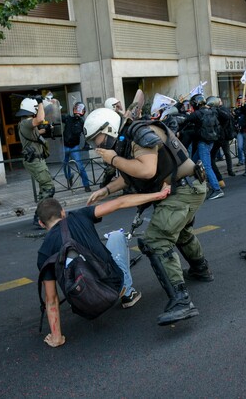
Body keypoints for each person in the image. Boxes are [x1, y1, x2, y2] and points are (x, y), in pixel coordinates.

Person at [83, 107, 213, 326]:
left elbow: (147, 171)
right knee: (180, 232)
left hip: (185, 188)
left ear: (109, 129)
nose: (97, 145)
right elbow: (129, 175)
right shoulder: (126, 140)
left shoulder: (140, 134)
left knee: (157, 239)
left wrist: (113, 159)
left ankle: (181, 301)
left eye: (97, 138)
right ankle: (201, 269)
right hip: (183, 187)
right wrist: (105, 191)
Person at [36, 188, 170, 347]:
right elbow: (121, 202)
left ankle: (62, 331)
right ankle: (127, 293)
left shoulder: (43, 253)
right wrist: (157, 194)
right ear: (63, 213)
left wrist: (57, 337)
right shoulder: (80, 215)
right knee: (116, 235)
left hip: (85, 303)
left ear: (41, 223)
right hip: (113, 286)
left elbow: (51, 299)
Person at [16, 96, 55, 227]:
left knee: (45, 189)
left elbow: (36, 133)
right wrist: (40, 103)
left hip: (36, 160)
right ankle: (39, 218)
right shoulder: (27, 122)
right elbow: (39, 119)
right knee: (48, 188)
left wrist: (46, 130)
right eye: (37, 108)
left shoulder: (26, 124)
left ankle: (40, 216)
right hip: (35, 161)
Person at [181, 94, 224, 200]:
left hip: (203, 143)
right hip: (211, 141)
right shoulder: (212, 111)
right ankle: (197, 187)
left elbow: (184, 120)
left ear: (195, 104)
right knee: (193, 164)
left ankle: (217, 189)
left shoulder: (197, 114)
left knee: (206, 166)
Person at [207, 96, 236, 189]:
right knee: (212, 157)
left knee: (226, 153)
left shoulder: (221, 110)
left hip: (221, 137)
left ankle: (229, 170)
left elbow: (227, 117)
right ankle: (216, 179)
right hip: (217, 138)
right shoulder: (213, 111)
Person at [62, 102, 91, 192]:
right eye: (77, 111)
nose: (78, 113)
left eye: (80, 112)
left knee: (80, 166)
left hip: (74, 147)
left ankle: (86, 185)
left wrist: (86, 144)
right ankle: (69, 177)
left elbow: (86, 134)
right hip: (65, 146)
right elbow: (57, 117)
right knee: (64, 166)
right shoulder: (67, 118)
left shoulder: (82, 122)